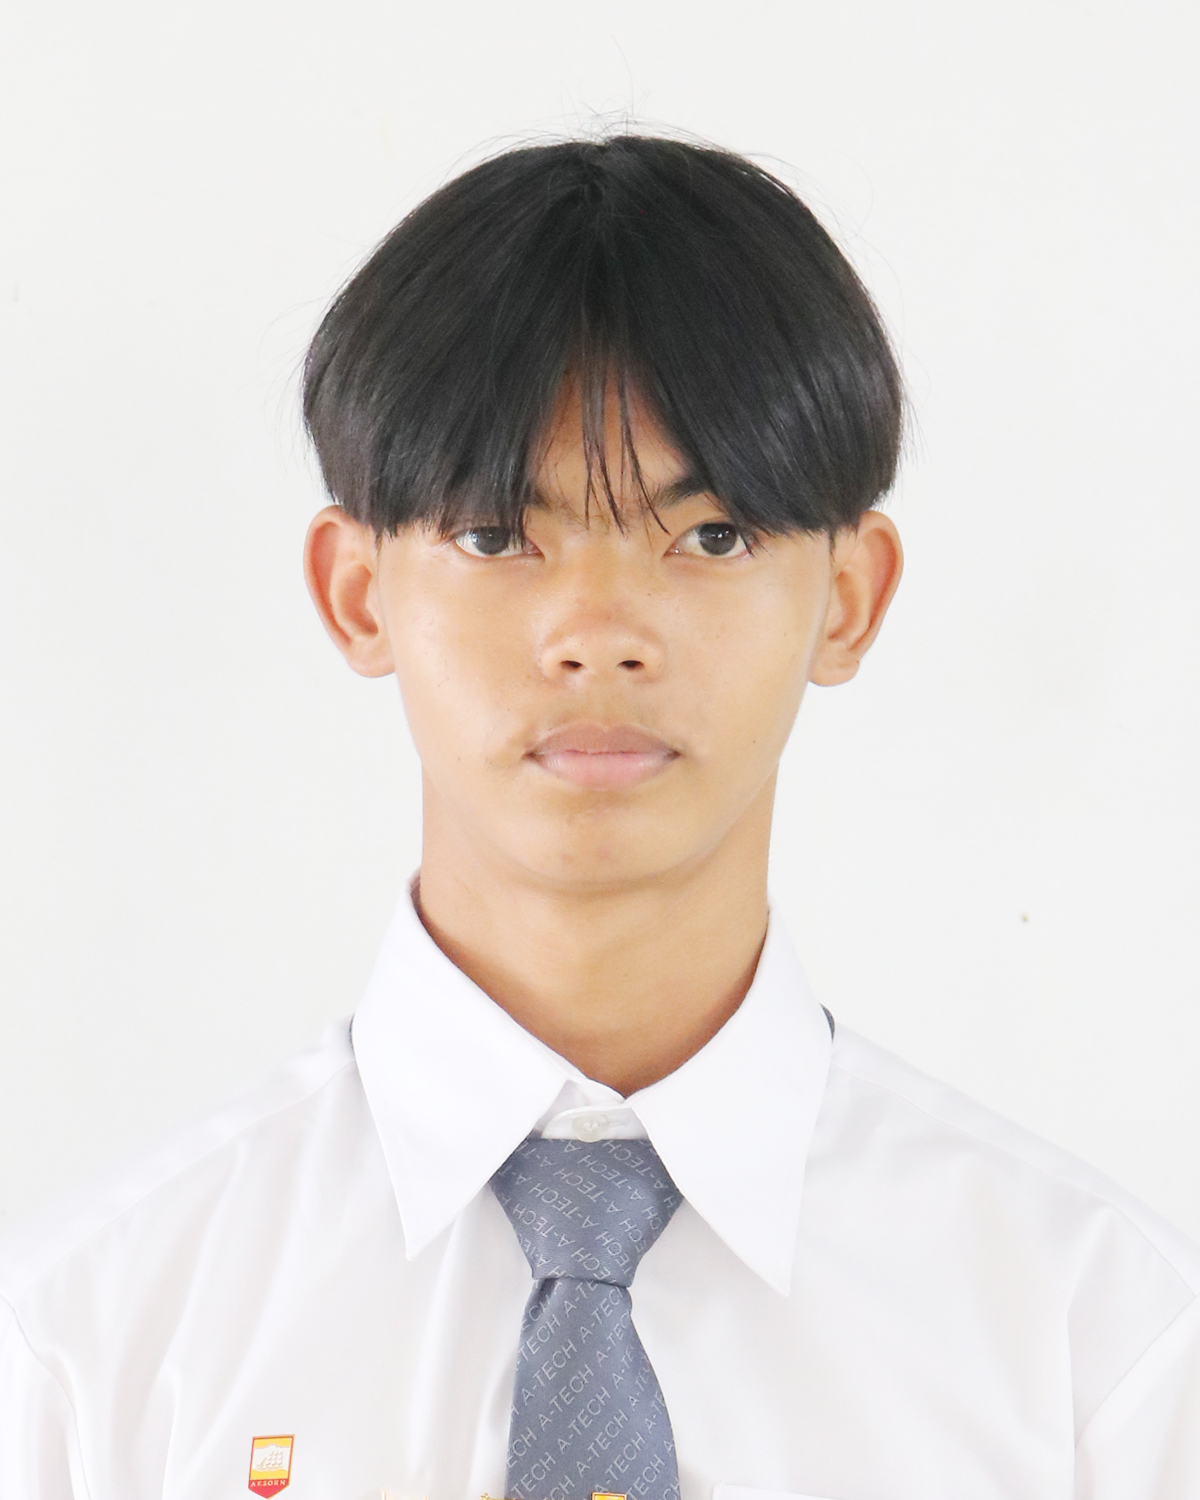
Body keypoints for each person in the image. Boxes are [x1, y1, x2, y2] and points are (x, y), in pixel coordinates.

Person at [1, 133, 1196, 1500]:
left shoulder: (1100, 1352)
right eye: (496, 536)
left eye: (713, 536)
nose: (598, 632)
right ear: (356, 592)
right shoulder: (83, 1351)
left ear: (850, 598)